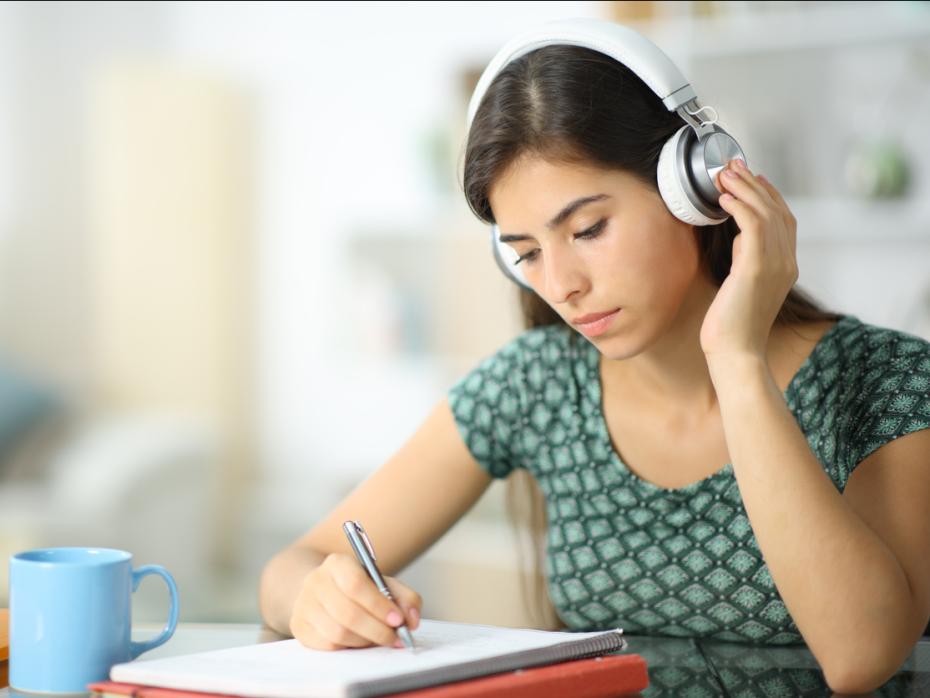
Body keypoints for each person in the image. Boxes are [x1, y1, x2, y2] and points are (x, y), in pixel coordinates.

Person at [259, 19, 930, 694]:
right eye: (527, 253)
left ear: (696, 189)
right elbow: (294, 566)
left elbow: (860, 656)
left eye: (587, 229)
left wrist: (737, 361)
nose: (561, 286)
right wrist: (316, 599)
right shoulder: (538, 382)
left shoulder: (889, 381)